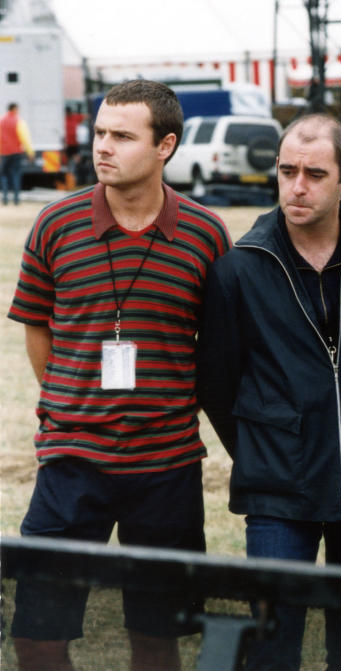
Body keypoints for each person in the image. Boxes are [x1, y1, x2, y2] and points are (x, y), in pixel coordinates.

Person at [7, 80, 231, 671]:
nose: (102, 147)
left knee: (158, 637)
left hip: (167, 466)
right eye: (100, 133)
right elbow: (35, 322)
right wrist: (67, 400)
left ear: (165, 145)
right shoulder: (55, 224)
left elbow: (216, 347)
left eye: (122, 136)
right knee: (37, 633)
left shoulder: (206, 235)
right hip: (71, 460)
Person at [197, 113, 341, 671]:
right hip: (277, 490)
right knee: (272, 647)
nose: (297, 186)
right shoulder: (239, 270)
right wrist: (266, 447)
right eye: (287, 170)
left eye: (314, 174)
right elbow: (217, 383)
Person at [1, 102, 36, 205]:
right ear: (15, 109)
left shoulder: (1, 121)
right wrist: (30, 152)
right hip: (16, 152)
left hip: (4, 153)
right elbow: (25, 137)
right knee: (16, 174)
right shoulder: (19, 121)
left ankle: (5, 198)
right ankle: (16, 199)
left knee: (3, 175)